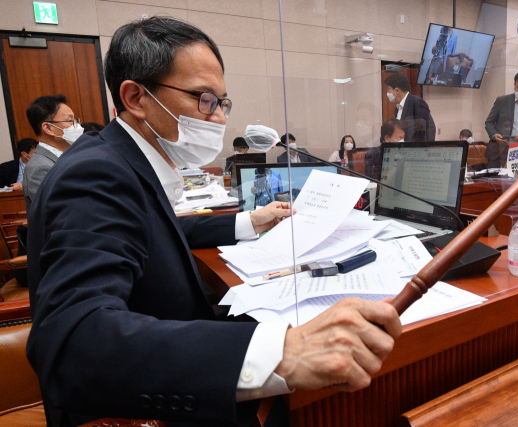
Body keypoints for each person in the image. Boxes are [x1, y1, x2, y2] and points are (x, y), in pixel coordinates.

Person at [26, 16, 401, 427]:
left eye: (222, 102)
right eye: (204, 99)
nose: (220, 119)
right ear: (136, 97)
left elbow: (154, 229)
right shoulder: (98, 173)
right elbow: (74, 343)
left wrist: (248, 222)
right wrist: (284, 351)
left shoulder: (119, 162)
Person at [23, 94, 83, 212]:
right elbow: (57, 213)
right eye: (70, 120)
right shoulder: (40, 168)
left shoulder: (70, 155)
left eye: (75, 120)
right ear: (48, 128)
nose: (76, 125)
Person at [384, 72, 436, 142]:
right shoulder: (397, 108)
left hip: (415, 149)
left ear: (396, 91)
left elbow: (430, 128)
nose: (387, 93)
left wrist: (426, 149)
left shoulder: (416, 102)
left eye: (389, 89)